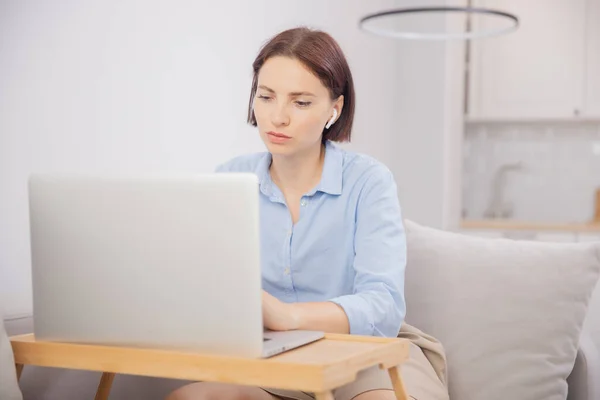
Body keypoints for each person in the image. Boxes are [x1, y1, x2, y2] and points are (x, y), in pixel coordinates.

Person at [167, 27, 449, 400]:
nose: (277, 117)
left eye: (300, 103)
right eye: (266, 97)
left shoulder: (368, 181)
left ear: (335, 108)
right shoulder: (230, 179)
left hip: (366, 357)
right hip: (273, 359)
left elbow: (383, 306)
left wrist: (290, 316)